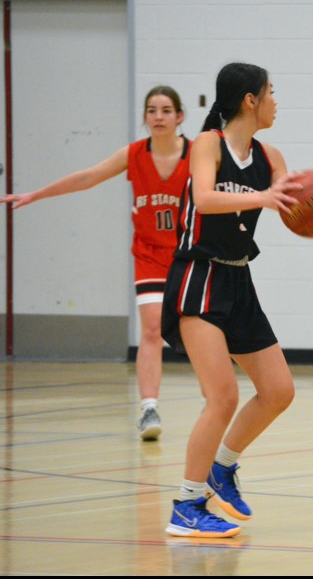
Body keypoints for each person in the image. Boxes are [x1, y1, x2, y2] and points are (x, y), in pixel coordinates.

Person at [1, 86, 191, 440]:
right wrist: (36, 194)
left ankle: (217, 400)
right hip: (149, 254)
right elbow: (87, 177)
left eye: (166, 110)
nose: (159, 116)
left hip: (188, 255)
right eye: (152, 110)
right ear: (145, 118)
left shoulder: (198, 156)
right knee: (151, 329)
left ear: (180, 116)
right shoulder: (133, 154)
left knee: (199, 333)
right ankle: (149, 408)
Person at [162, 62, 302, 537]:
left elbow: (291, 211)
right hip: (198, 275)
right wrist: (264, 197)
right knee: (222, 396)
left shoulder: (271, 156)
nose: (275, 101)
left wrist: (311, 201)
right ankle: (186, 504)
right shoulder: (209, 144)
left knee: (279, 390)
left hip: (240, 281)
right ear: (250, 100)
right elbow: (203, 199)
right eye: (270, 92)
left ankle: (222, 468)